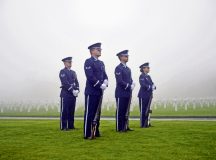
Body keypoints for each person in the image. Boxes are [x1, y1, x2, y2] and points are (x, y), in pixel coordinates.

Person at [83, 42, 108, 139]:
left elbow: (104, 74)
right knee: (90, 112)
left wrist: (106, 81)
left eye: (100, 49)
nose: (100, 50)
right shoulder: (88, 61)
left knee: (98, 112)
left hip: (99, 91)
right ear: (92, 51)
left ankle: (95, 131)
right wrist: (99, 85)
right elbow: (90, 76)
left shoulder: (101, 63)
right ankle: (87, 133)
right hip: (91, 91)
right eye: (98, 49)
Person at [114, 50, 135, 132]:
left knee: (126, 110)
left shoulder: (128, 69)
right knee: (120, 111)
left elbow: (130, 79)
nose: (127, 57)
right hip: (121, 93)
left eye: (127, 56)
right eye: (125, 56)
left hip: (128, 93)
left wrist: (132, 83)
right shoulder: (118, 68)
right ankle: (119, 128)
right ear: (121, 57)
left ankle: (126, 126)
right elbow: (120, 81)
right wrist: (129, 86)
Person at [59, 57, 79, 131]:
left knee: (71, 110)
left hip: (72, 95)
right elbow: (65, 83)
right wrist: (72, 90)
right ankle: (63, 126)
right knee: (65, 111)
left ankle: (71, 126)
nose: (70, 63)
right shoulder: (62, 72)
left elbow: (76, 82)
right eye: (68, 62)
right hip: (65, 94)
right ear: (64, 63)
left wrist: (77, 90)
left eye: (70, 62)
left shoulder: (73, 72)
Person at [138, 62, 156, 128]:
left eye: (149, 68)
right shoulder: (142, 76)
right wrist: (150, 87)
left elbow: (152, 83)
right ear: (143, 69)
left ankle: (147, 123)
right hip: (143, 95)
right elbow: (143, 85)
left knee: (147, 110)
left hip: (149, 95)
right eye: (147, 68)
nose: (149, 69)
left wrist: (154, 86)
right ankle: (143, 124)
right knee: (143, 110)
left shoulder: (148, 76)